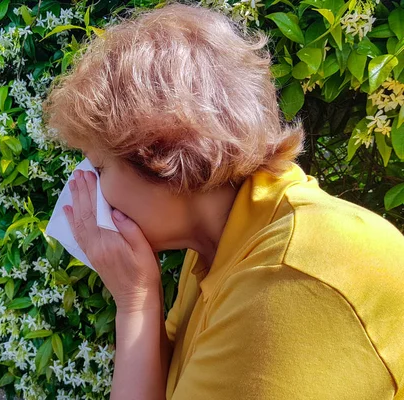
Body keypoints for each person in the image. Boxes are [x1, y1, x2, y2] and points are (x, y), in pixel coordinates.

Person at [41, 2, 404, 399]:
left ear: (161, 153)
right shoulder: (217, 248)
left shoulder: (287, 277)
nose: (89, 187)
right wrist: (136, 298)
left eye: (99, 167)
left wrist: (134, 302)